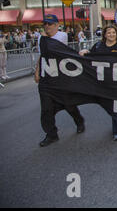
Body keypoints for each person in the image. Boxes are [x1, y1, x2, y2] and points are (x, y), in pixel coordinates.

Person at [35, 15, 86, 147]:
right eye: (45, 24)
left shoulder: (62, 36)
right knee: (46, 109)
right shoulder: (42, 38)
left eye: (50, 24)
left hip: (61, 77)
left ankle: (79, 120)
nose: (47, 26)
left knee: (68, 104)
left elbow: (67, 52)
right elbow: (42, 56)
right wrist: (37, 71)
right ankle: (51, 134)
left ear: (57, 25)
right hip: (47, 78)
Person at [79, 25, 117, 140]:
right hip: (102, 82)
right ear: (105, 35)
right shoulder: (98, 46)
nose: (111, 35)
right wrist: (85, 51)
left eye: (113, 33)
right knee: (107, 104)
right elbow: (90, 57)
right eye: (109, 33)